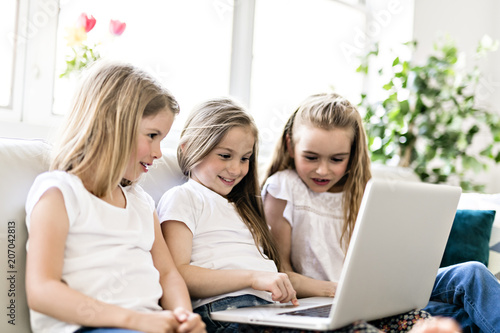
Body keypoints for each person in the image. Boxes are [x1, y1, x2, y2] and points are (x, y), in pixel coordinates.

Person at [156, 98, 445, 333]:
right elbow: (180, 272)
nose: (236, 169)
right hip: (226, 312)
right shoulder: (184, 197)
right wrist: (253, 278)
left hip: (269, 309)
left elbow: (280, 277)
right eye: (225, 155)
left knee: (414, 318)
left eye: (245, 158)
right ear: (188, 149)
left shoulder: (242, 209)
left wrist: (335, 290)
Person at [261, 92, 500, 333]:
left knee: (472, 273)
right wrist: (339, 289)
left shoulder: (361, 191)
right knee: (465, 321)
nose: (323, 170)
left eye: (337, 159)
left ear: (352, 154)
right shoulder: (283, 188)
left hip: (379, 293)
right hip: (335, 303)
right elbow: (282, 274)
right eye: (311, 157)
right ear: (291, 145)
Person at [25, 61, 205, 333]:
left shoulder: (141, 202)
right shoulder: (60, 193)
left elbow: (168, 274)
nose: (158, 152)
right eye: (152, 136)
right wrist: (135, 320)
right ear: (113, 126)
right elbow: (41, 290)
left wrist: (182, 316)